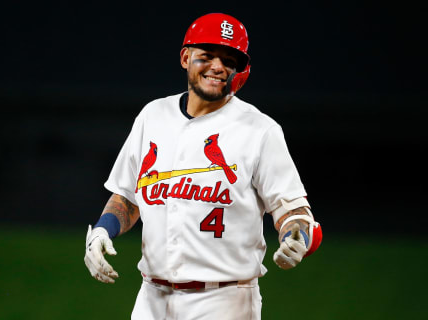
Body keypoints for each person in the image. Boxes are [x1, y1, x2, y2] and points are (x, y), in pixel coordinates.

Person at [84, 12, 322, 320]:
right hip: (151, 298)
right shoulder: (152, 116)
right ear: (185, 57)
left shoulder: (260, 130)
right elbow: (128, 195)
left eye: (229, 59)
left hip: (224, 300)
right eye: (207, 56)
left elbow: (294, 211)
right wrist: (103, 230)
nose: (218, 67)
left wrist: (297, 236)